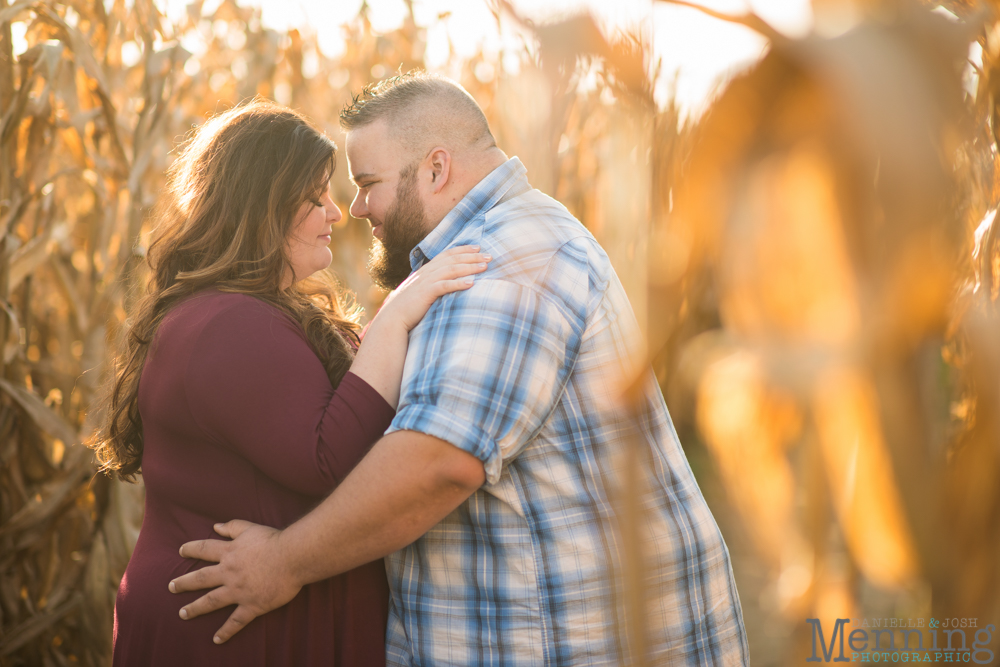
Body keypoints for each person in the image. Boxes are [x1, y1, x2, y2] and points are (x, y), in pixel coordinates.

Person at [171, 73, 750, 665]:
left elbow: (438, 462)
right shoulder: (484, 251)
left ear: (436, 169)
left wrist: (282, 563)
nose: (355, 207)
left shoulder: (506, 262)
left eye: (368, 183)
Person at [90, 99, 490, 666]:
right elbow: (328, 458)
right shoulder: (229, 325)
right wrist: (398, 313)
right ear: (262, 209)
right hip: (230, 636)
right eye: (314, 197)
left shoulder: (243, 312)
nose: (335, 212)